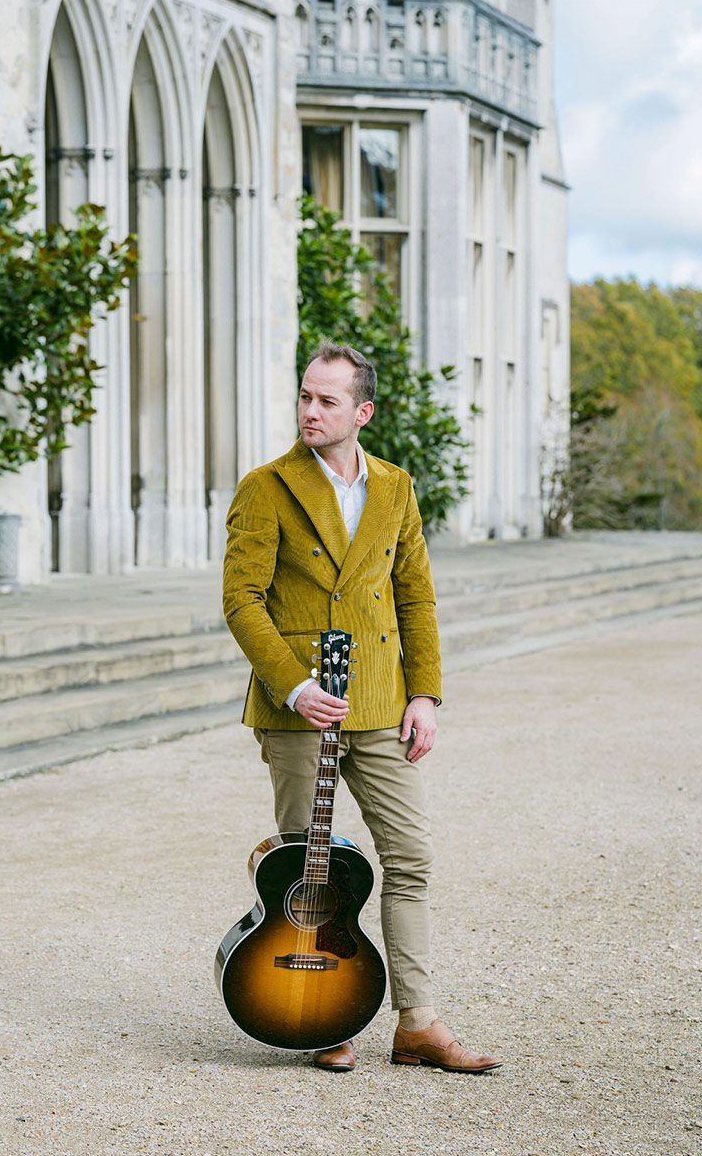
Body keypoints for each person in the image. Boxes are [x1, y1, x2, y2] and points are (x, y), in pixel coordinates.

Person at [222, 339, 501, 1074]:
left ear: (362, 412)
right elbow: (242, 599)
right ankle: (320, 1015)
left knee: (409, 855)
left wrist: (425, 693)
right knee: (301, 870)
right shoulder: (266, 487)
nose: (309, 411)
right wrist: (293, 685)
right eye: (304, 397)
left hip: (378, 698)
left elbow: (415, 597)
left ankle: (418, 1023)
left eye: (327, 400)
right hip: (298, 707)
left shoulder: (395, 488)